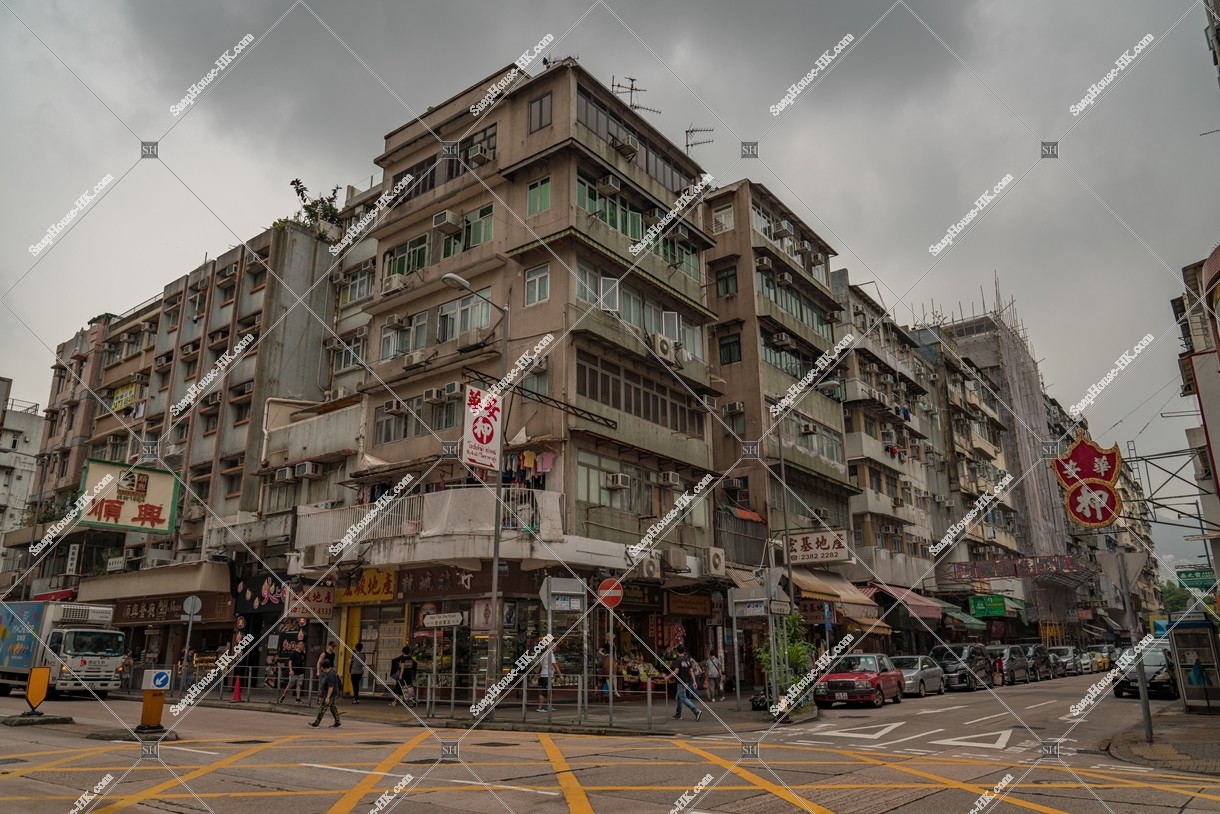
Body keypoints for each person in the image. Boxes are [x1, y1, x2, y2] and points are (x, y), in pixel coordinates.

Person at [666, 645, 702, 721]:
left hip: (680, 682)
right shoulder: (687, 660)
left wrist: (667, 677)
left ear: (677, 652)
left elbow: (676, 671)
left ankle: (696, 711)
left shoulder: (678, 660)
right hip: (687, 681)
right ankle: (678, 714)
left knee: (683, 698)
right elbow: (691, 671)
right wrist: (694, 681)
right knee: (678, 698)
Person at [309, 658, 342, 728]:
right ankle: (337, 721)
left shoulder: (330, 675)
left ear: (323, 667)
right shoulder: (333, 671)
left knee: (323, 708)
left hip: (330, 694)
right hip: (334, 693)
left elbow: (331, 686)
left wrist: (327, 697)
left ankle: (316, 723)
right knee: (332, 707)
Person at [536, 641, 561, 712]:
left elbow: (539, 665)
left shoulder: (544, 653)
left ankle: (549, 705)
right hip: (547, 675)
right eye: (555, 646)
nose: (556, 648)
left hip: (544, 675)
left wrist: (536, 675)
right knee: (544, 692)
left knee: (550, 691)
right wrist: (560, 675)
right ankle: (540, 707)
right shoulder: (550, 654)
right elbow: (554, 665)